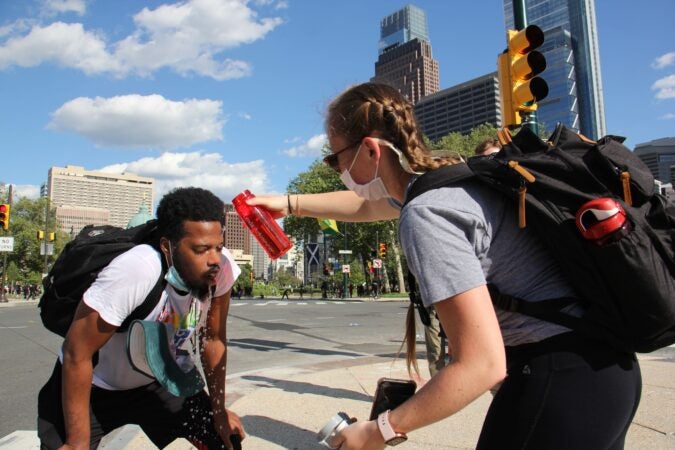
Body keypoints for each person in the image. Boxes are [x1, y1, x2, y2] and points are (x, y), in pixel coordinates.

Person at [247, 82, 641, 449]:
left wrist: (377, 431)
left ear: (370, 150)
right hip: (607, 372)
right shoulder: (453, 180)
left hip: (560, 378)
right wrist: (290, 203)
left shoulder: (427, 213)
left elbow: (480, 365)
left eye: (336, 160)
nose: (339, 171)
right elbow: (368, 205)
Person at [37, 187, 246, 450]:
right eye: (201, 249)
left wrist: (219, 411)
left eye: (218, 246)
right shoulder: (136, 270)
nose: (214, 259)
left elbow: (213, 339)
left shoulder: (222, 269)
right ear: (167, 246)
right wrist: (77, 442)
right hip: (92, 387)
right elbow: (76, 353)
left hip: (157, 377)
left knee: (224, 441)